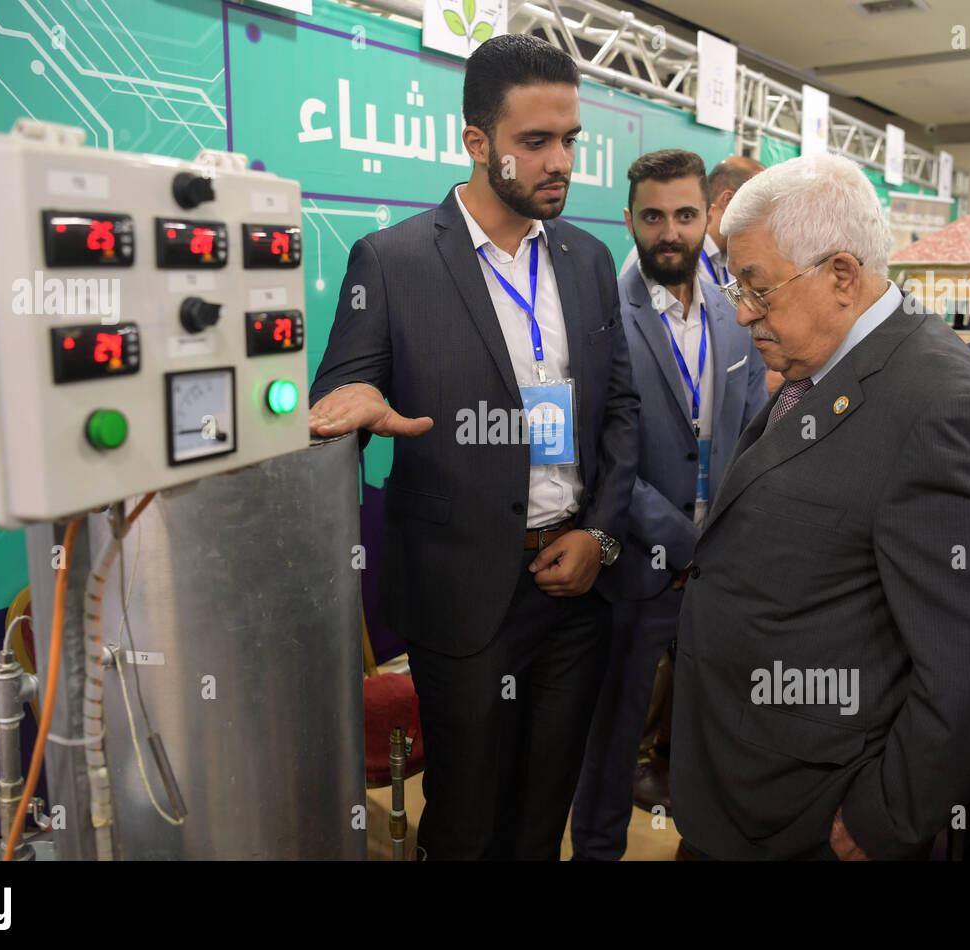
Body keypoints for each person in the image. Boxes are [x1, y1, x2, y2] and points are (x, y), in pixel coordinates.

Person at [307, 34, 639, 860]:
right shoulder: (391, 263)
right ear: (478, 144)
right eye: (536, 143)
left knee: (539, 818)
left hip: (575, 591)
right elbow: (333, 407)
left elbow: (621, 413)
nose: (559, 161)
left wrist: (598, 535)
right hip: (464, 602)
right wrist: (361, 403)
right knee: (465, 820)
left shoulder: (590, 259)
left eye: (570, 140)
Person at [671, 152, 970, 860]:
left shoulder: (941, 407)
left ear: (841, 274)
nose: (743, 311)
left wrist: (885, 817)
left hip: (816, 813)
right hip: (744, 785)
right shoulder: (820, 359)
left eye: (757, 287)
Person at [569, 150, 767, 860]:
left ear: (708, 219)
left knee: (717, 732)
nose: (670, 231)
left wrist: (726, 541)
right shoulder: (600, 320)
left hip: (726, 572)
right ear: (630, 220)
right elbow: (593, 455)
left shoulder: (734, 312)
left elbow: (754, 431)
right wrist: (683, 541)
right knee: (613, 738)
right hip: (636, 570)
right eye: (653, 216)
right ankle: (596, 851)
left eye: (685, 214)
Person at [619, 156, 763, 288]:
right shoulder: (654, 257)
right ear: (728, 200)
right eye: (761, 204)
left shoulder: (731, 260)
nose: (765, 217)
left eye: (686, 216)